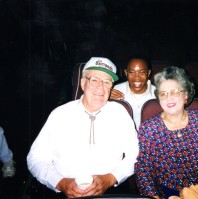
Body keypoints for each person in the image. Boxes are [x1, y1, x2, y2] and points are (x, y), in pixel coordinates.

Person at [27, 57, 139, 198]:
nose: (100, 87)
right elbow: (36, 158)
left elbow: (136, 154)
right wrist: (61, 183)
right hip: (63, 191)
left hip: (109, 190)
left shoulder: (120, 113)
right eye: (94, 80)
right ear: (82, 83)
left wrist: (110, 178)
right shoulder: (60, 114)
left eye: (106, 82)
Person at [134, 66, 198, 199]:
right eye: (163, 93)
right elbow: (143, 169)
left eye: (174, 92)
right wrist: (154, 197)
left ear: (185, 96)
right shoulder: (149, 128)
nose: (169, 98)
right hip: (169, 193)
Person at [110, 56, 156, 129]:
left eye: (142, 72)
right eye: (132, 72)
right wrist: (105, 99)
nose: (137, 78)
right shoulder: (115, 90)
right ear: (126, 73)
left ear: (148, 73)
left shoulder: (158, 94)